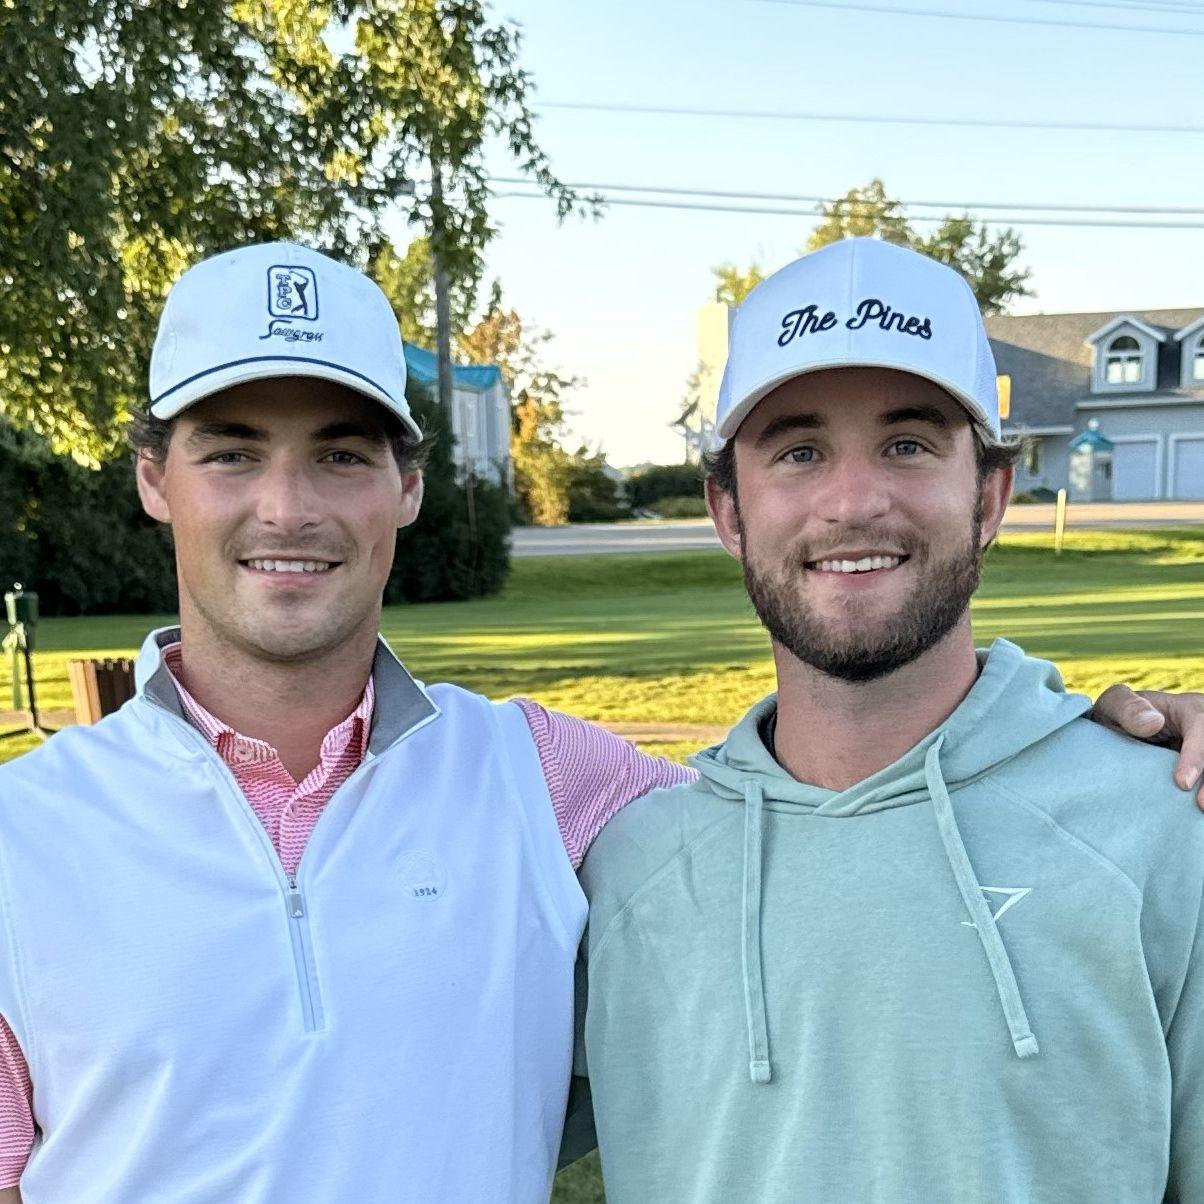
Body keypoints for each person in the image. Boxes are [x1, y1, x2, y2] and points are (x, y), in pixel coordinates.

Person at [0, 241, 1194, 1203]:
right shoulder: (20, 834)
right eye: (230, 453)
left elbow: (835, 824)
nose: (285, 507)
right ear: (152, 477)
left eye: (342, 454)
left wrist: (1122, 737)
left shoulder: (553, 782)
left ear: (408, 485)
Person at [568, 238, 1204, 1203]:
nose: (854, 502)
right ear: (728, 511)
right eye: (799, 452)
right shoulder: (623, 867)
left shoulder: (1164, 829)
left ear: (990, 496)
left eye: (908, 445)